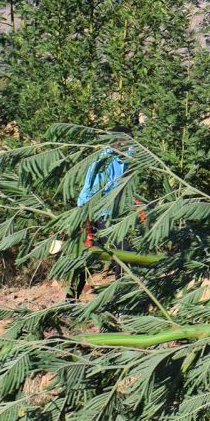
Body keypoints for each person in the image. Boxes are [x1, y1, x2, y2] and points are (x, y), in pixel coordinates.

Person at [70, 125, 132, 300]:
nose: (131, 146)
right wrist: (87, 229)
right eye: (127, 142)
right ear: (116, 142)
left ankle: (122, 299)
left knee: (124, 253)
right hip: (95, 214)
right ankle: (70, 299)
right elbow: (89, 197)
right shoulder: (102, 163)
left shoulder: (125, 157)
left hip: (113, 215)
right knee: (116, 252)